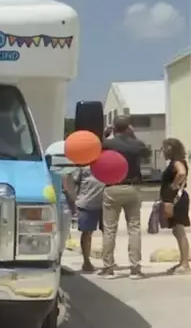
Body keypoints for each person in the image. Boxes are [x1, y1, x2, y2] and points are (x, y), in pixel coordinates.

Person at [101, 117, 150, 279]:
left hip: (112, 187)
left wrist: (106, 134)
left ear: (114, 127)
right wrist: (133, 136)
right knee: (134, 228)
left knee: (109, 229)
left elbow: (95, 149)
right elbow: (147, 153)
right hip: (132, 187)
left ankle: (108, 268)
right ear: (129, 127)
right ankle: (135, 268)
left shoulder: (108, 144)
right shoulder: (136, 144)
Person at [63, 164, 105, 273]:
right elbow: (70, 180)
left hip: (106, 203)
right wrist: (74, 200)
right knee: (87, 233)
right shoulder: (83, 164)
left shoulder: (106, 160)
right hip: (86, 203)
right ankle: (86, 262)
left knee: (108, 233)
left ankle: (108, 262)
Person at [159, 138, 190, 274]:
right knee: (177, 230)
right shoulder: (174, 162)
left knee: (179, 230)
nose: (163, 151)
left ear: (171, 148)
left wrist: (173, 186)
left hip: (175, 199)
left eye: (164, 148)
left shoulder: (177, 162)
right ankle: (183, 262)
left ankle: (185, 264)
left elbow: (181, 172)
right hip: (173, 198)